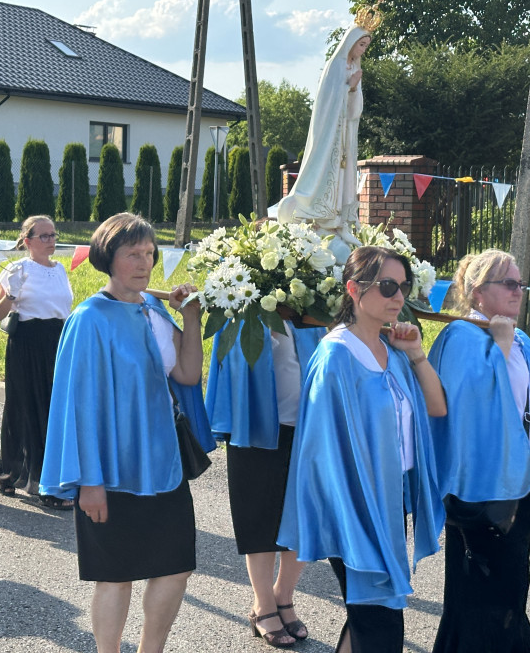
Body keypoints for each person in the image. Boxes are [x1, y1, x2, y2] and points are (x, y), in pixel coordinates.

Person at [39, 213, 205, 653]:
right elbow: (78, 406)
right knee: (115, 576)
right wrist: (88, 482)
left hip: (164, 466)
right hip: (110, 472)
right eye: (133, 253)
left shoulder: (151, 307)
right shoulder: (88, 318)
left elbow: (187, 374)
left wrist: (191, 319)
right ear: (108, 257)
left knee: (175, 567)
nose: (144, 262)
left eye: (149, 253)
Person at [278, 246, 446, 653]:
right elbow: (320, 452)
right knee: (381, 623)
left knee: (368, 619)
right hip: (354, 508)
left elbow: (437, 408)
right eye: (387, 286)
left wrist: (418, 355)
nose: (398, 297)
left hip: (390, 502)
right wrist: (352, 516)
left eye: (403, 287)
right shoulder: (335, 355)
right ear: (354, 289)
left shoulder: (393, 351)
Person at [428, 249, 530, 653]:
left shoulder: (518, 336)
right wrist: (497, 346)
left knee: (508, 586)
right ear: (478, 293)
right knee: (488, 590)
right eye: (509, 283)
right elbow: (467, 403)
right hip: (483, 487)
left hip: (524, 482)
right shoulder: (460, 335)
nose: (520, 290)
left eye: (521, 282)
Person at [205, 318, 326, 647]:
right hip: (256, 424)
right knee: (258, 516)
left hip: (311, 427)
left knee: (305, 515)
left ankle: (282, 595)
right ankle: (262, 604)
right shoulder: (246, 308)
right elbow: (234, 361)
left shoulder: (315, 309)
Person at [275, 7, 379, 262]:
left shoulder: (355, 67)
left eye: (366, 46)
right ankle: (315, 215)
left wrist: (354, 90)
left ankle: (338, 220)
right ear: (351, 43)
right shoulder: (335, 67)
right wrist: (347, 88)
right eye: (361, 44)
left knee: (343, 176)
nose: (362, 50)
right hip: (329, 135)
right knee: (323, 172)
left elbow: (355, 111)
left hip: (345, 136)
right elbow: (327, 104)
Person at [0, 216, 73, 508]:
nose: (51, 240)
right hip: (27, 342)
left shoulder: (60, 269)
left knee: (53, 409)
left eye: (53, 235)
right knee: (25, 408)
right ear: (28, 241)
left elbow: (62, 309)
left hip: (56, 341)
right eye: (44, 236)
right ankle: (14, 471)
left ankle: (45, 477)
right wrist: (11, 293)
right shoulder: (16, 269)